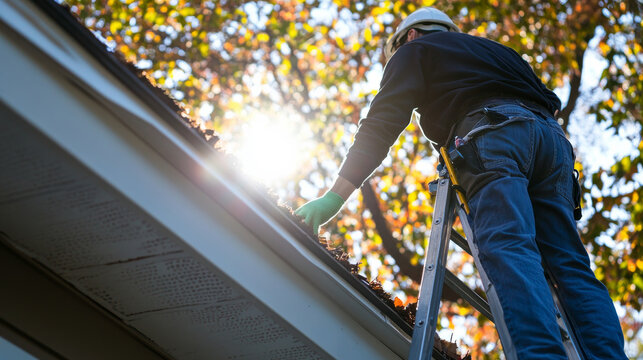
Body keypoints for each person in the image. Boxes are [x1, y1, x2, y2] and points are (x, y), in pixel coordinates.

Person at [294, 7, 628, 360]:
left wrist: (335, 196)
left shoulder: (415, 51)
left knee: (511, 247)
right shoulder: (498, 52)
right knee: (571, 266)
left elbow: (383, 121)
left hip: (493, 137)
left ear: (409, 36)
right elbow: (551, 101)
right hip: (554, 145)